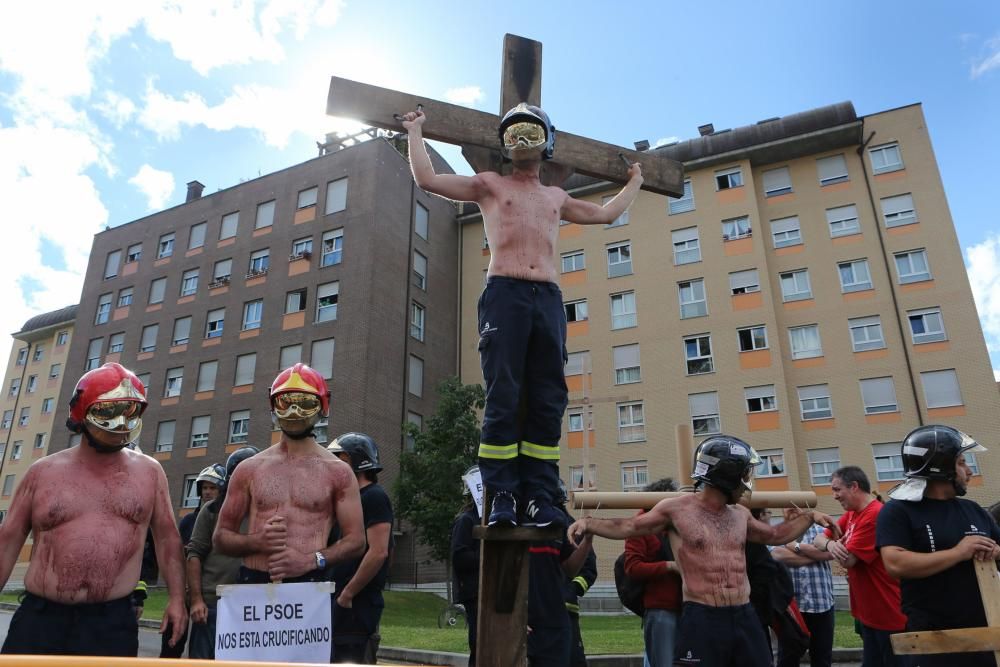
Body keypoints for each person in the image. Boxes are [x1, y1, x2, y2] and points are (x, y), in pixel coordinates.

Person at [401, 105, 643, 529]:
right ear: (504, 143)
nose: (521, 141)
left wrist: (635, 180)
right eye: (512, 134)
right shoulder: (490, 185)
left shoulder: (556, 197)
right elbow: (428, 179)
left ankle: (539, 493)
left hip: (547, 296)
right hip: (505, 293)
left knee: (549, 395)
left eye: (530, 132)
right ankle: (503, 494)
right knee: (504, 393)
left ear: (546, 140)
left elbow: (605, 214)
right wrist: (415, 130)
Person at [567, 435, 840, 667]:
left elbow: (775, 535)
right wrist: (588, 523)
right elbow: (628, 527)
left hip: (744, 614)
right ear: (728, 474)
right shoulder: (676, 509)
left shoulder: (740, 514)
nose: (747, 483)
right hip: (702, 617)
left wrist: (810, 517)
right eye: (744, 474)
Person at [0, 362, 187, 656]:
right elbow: (8, 540)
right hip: (40, 618)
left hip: (111, 623)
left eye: (130, 410)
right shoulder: (42, 472)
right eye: (110, 410)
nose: (122, 422)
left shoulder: (150, 473)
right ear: (82, 413)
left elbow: (167, 539)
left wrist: (177, 599)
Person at [214, 363, 365, 586]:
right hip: (254, 582)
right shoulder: (249, 468)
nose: (294, 412)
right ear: (273, 405)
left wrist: (311, 560)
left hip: (309, 583)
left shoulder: (338, 472)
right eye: (285, 402)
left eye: (304, 403)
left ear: (323, 403)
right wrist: (258, 541)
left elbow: (357, 541)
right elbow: (220, 538)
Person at [877, 425, 1000, 667]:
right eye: (962, 463)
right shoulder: (898, 511)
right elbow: (895, 562)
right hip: (933, 641)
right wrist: (958, 553)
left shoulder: (973, 510)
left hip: (986, 637)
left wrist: (995, 551)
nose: (969, 471)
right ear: (941, 466)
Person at [812, 466, 905, 667]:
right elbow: (818, 539)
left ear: (854, 486)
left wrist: (833, 544)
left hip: (889, 614)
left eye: (837, 490)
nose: (835, 496)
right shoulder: (854, 514)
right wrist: (831, 544)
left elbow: (848, 560)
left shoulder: (874, 515)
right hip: (869, 613)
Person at [327, 432, 394, 663]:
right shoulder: (347, 501)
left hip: (357, 606)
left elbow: (378, 552)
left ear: (358, 463)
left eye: (340, 460)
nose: (334, 467)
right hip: (338, 605)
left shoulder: (374, 497)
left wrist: (348, 594)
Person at [186, 446, 258, 659]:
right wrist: (197, 599)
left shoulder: (266, 511)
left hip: (251, 607)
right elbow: (194, 554)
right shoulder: (211, 511)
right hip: (212, 604)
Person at [160, 462, 226, 659]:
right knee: (172, 639)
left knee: (205, 650)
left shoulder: (224, 520)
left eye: (212, 488)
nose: (207, 492)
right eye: (204, 488)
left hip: (208, 591)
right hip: (185, 591)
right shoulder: (189, 520)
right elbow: (178, 556)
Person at [623, 477, 683, 667]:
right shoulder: (640, 525)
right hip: (661, 611)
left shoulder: (676, 524)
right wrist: (669, 566)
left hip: (689, 608)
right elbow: (632, 567)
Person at [528, 504, 594, 666]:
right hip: (523, 619)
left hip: (557, 620)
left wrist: (588, 539)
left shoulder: (559, 518)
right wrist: (513, 618)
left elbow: (569, 569)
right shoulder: (508, 513)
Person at [771, 521, 836, 667]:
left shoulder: (822, 531)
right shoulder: (777, 532)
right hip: (792, 609)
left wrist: (795, 546)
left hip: (821, 604)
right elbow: (777, 554)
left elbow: (831, 552)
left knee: (822, 657)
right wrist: (817, 555)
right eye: (787, 503)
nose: (792, 506)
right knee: (788, 657)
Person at [558, 480, 596, 667]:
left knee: (573, 659)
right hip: (540, 608)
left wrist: (572, 588)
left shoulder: (574, 527)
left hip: (566, 609)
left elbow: (589, 568)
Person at [451, 466, 483, 666]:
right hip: (475, 593)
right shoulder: (466, 521)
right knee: (479, 643)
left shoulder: (489, 519)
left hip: (491, 592)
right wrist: (488, 556)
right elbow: (460, 558)